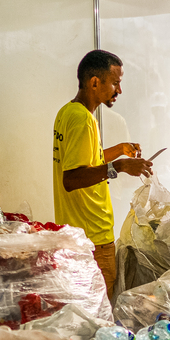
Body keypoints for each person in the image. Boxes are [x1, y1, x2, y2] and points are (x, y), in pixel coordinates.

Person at [53, 50, 153, 295]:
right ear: (95, 82)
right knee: (100, 310)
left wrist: (119, 151)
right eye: (115, 83)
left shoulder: (68, 112)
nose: (119, 90)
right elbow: (72, 178)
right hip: (93, 237)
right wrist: (118, 167)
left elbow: (86, 162)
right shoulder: (82, 120)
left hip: (77, 232)